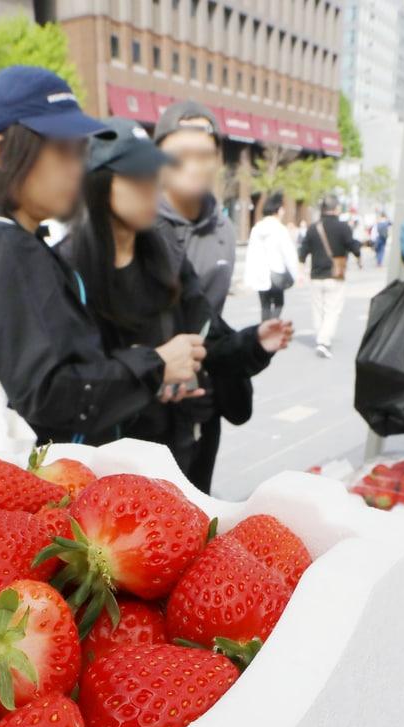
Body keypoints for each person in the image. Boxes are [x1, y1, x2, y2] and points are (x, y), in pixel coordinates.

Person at [0, 66, 205, 445]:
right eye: (61, 150)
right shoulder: (5, 249)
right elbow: (50, 396)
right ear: (2, 153)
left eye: (80, 151)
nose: (77, 168)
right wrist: (156, 365)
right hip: (29, 480)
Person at [62, 118, 292, 488]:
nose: (152, 187)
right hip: (109, 463)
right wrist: (156, 370)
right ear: (99, 184)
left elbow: (206, 331)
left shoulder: (165, 251)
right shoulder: (67, 266)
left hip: (182, 445)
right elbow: (68, 382)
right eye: (137, 176)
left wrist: (253, 342)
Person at [152, 99, 237, 490]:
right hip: (145, 403)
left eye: (205, 151)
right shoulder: (132, 224)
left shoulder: (224, 231)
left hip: (202, 400)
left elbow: (212, 316)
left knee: (197, 509)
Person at [299, 195, 360, 358]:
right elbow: (353, 245)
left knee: (317, 309)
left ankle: (320, 336)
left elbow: (303, 251)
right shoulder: (343, 227)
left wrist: (301, 270)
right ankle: (323, 341)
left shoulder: (312, 228)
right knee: (332, 309)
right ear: (336, 208)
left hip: (316, 275)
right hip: (335, 275)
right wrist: (359, 255)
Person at [244, 191, 302, 320]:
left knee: (264, 306)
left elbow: (251, 253)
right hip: (276, 272)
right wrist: (296, 273)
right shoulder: (279, 229)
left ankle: (264, 331)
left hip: (260, 273)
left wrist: (248, 277)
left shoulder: (257, 229)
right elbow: (289, 254)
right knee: (278, 304)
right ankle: (272, 329)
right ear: (278, 210)